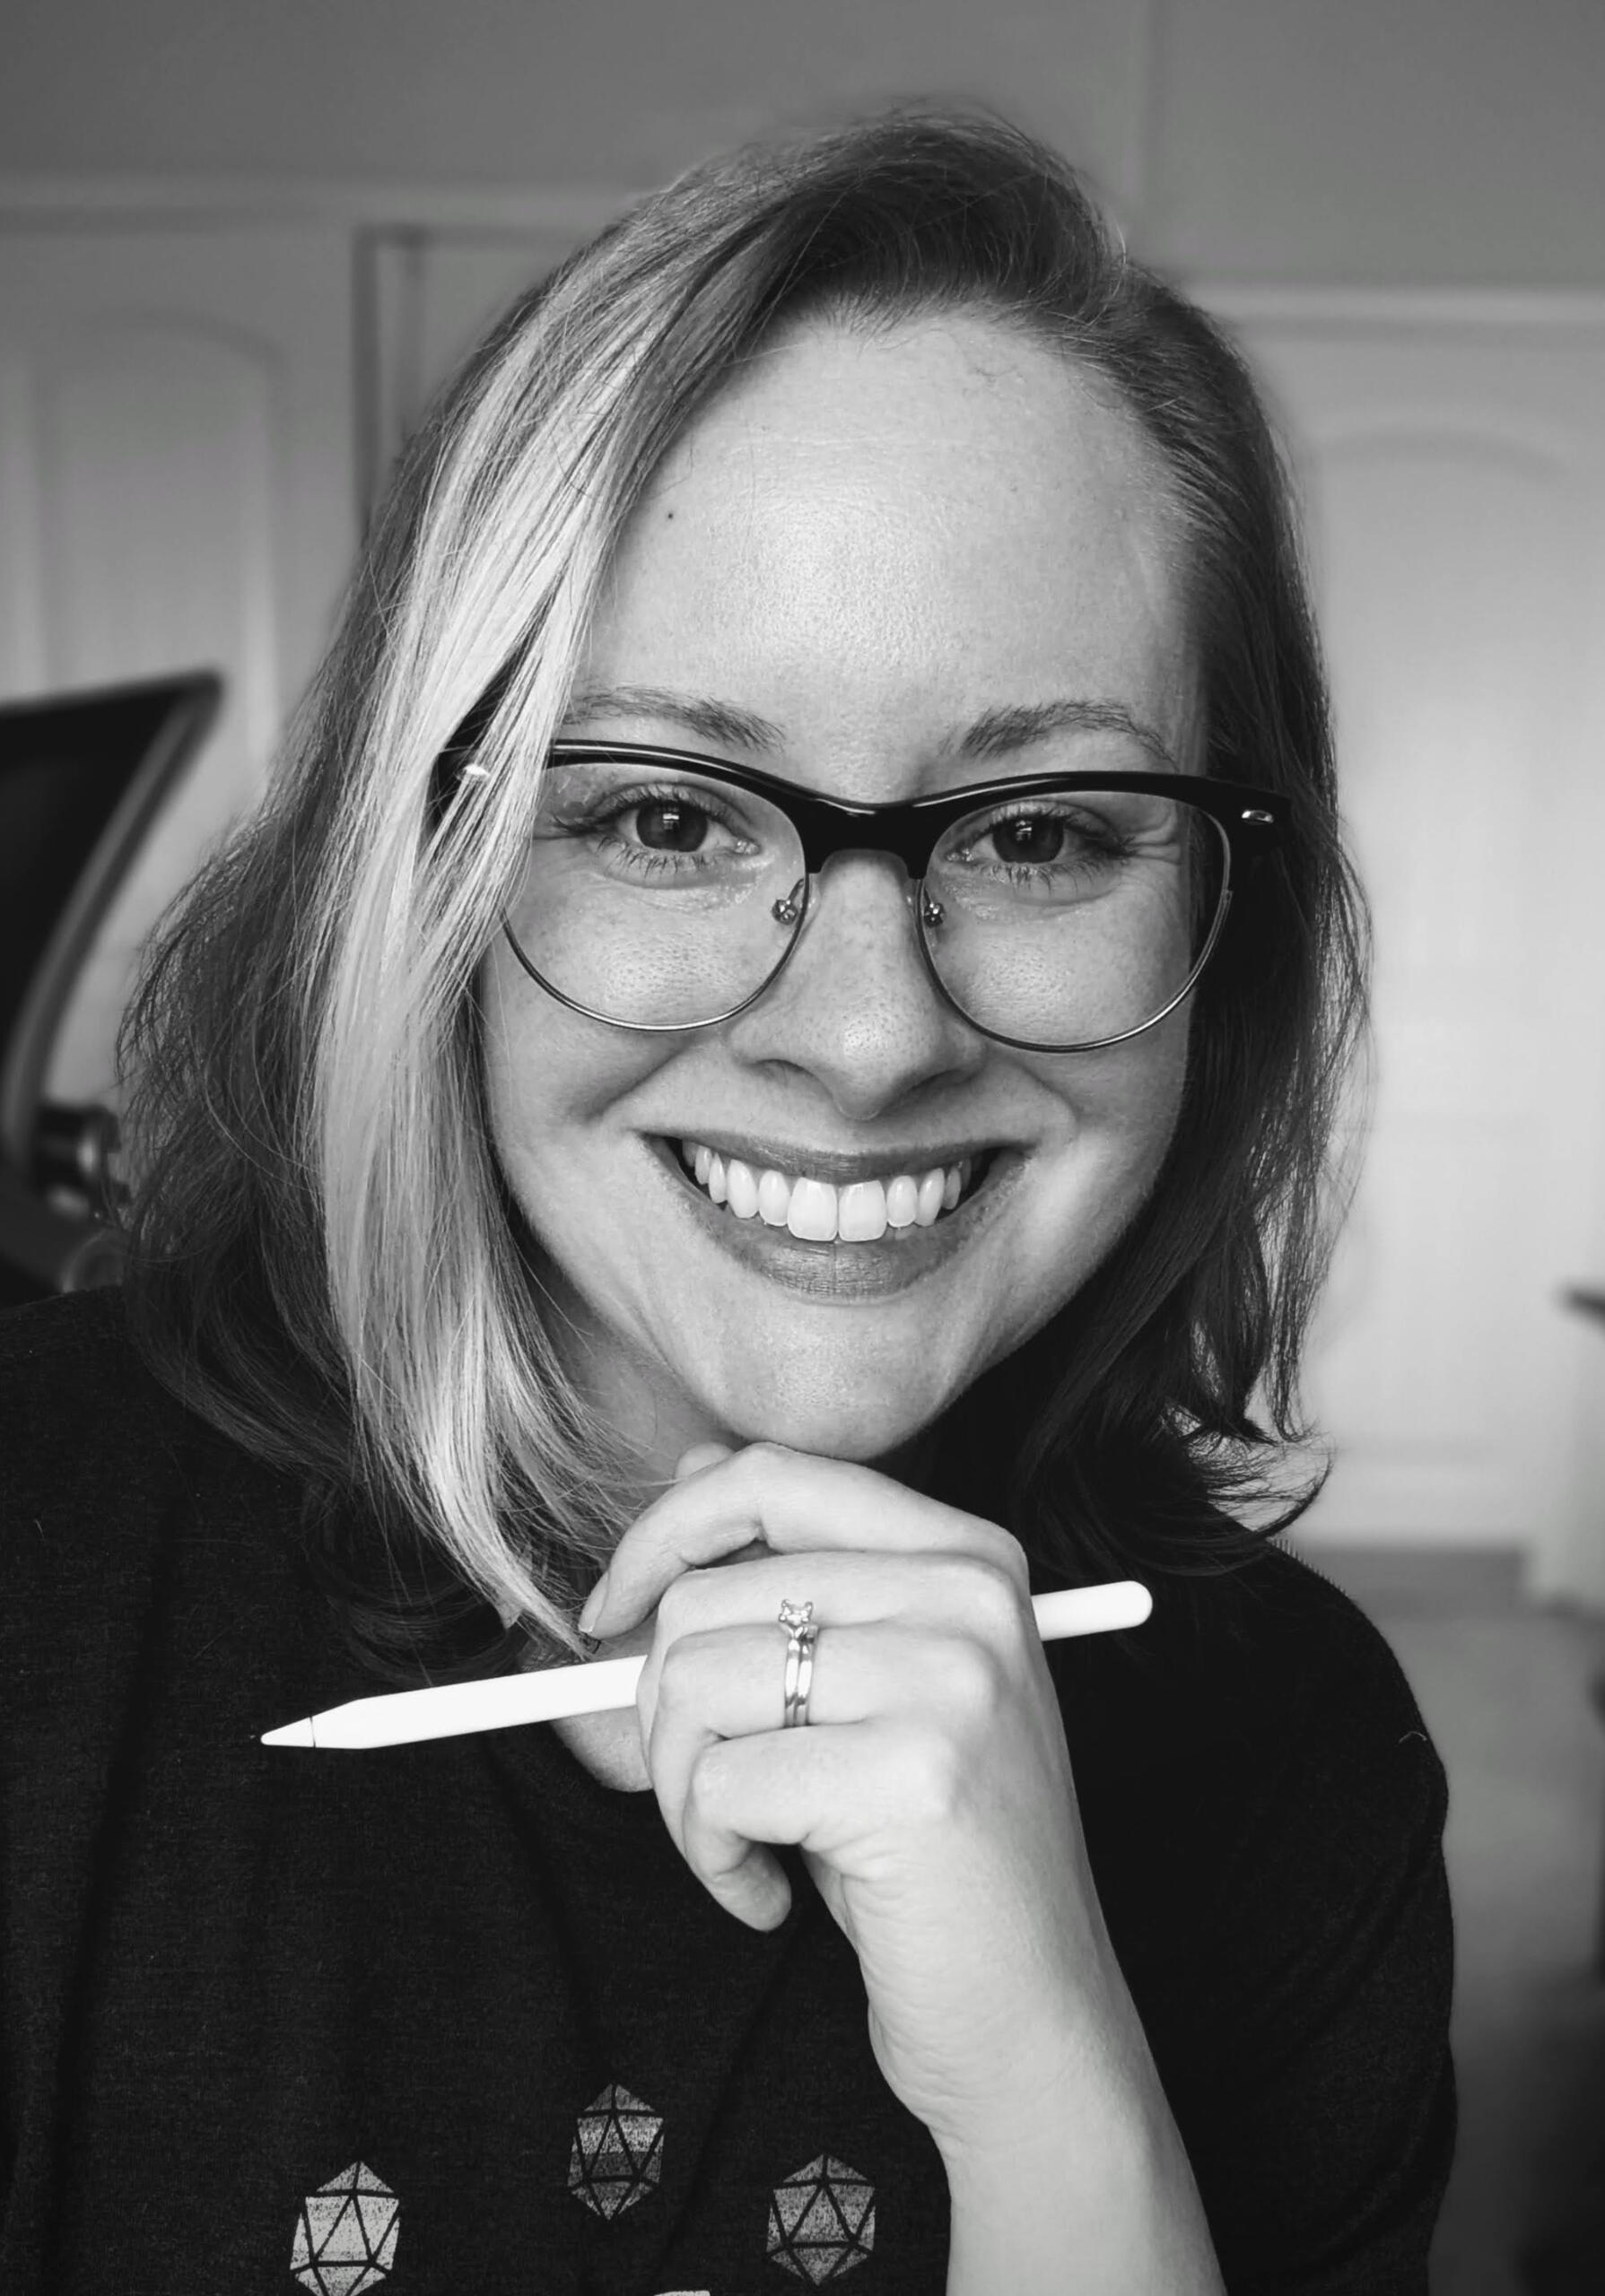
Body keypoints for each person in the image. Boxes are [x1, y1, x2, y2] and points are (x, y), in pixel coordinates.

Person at [0, 107, 1453, 2294]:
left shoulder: (1294, 1751)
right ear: (431, 881)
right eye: (671, 817)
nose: (866, 1037)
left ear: (1222, 928)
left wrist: (1059, 2096)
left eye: (1045, 830)